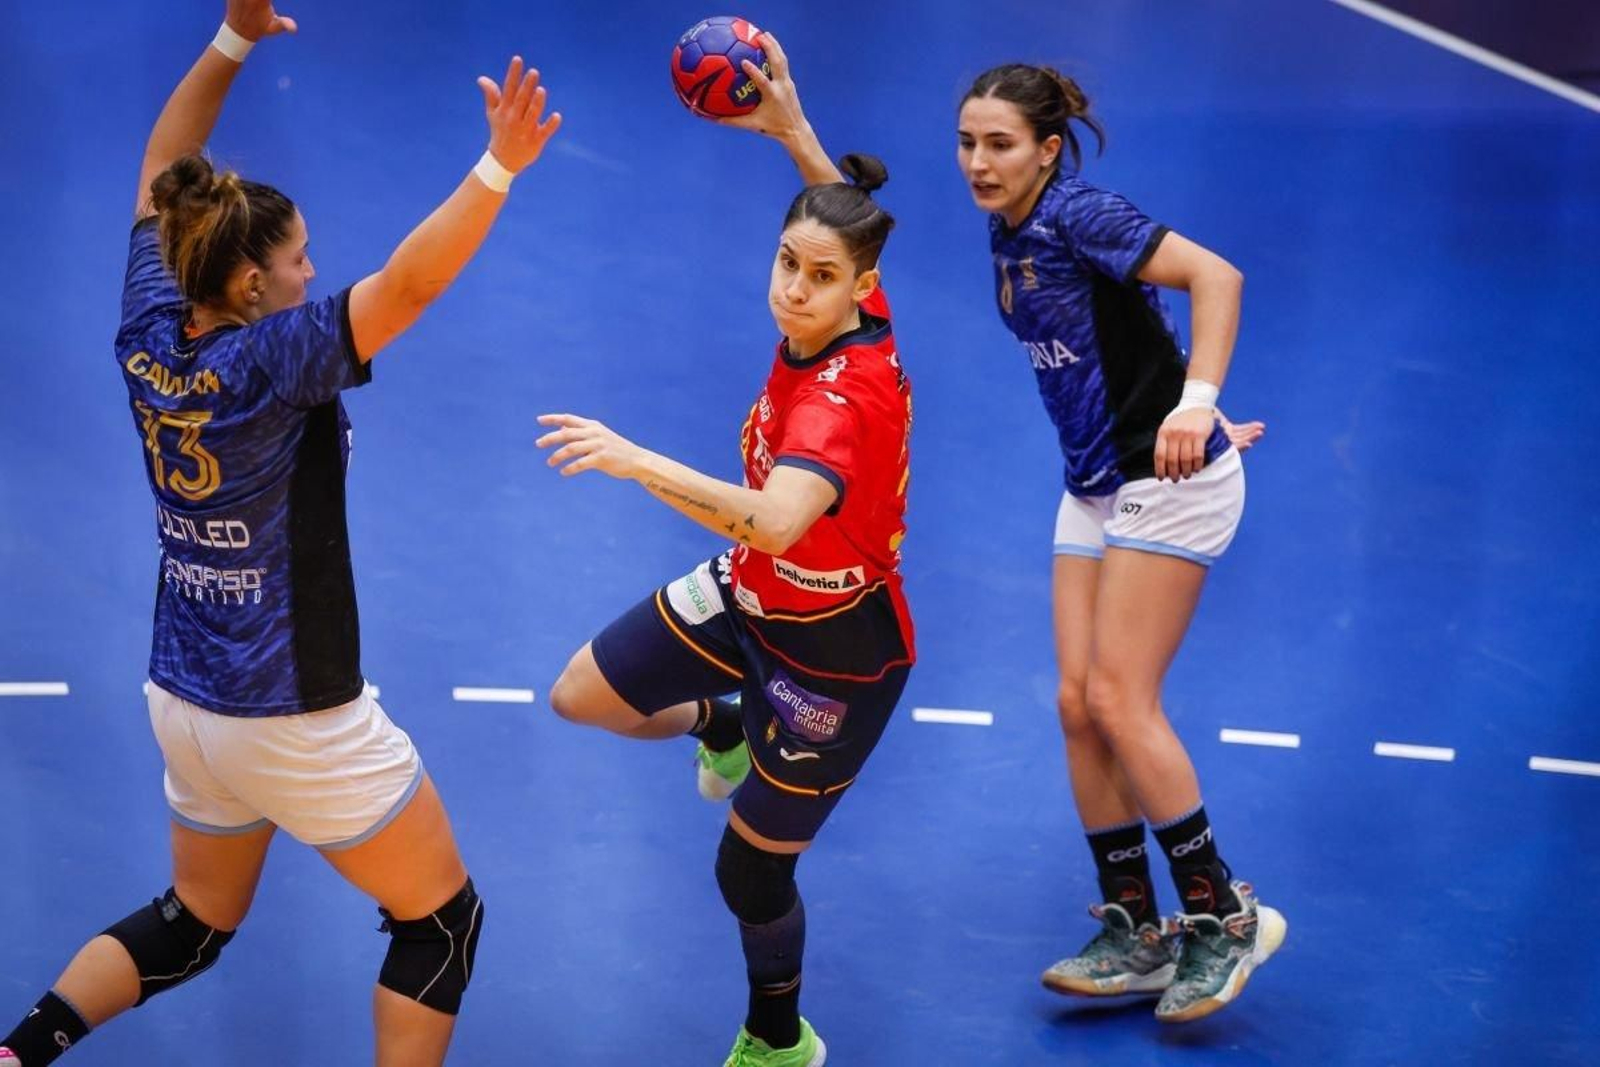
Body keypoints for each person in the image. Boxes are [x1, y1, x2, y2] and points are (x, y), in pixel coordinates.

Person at [0, 4, 560, 1064]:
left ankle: (19, 1049)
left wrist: (231, 38)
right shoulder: (276, 360)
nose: (314, 271)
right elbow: (408, 286)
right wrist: (497, 168)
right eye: (301, 259)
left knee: (194, 920)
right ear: (250, 283)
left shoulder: (150, 323)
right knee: (441, 922)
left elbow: (167, 164)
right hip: (295, 715)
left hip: (184, 698)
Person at [537, 34, 908, 1067]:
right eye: (787, 261)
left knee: (748, 875)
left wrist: (632, 459)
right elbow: (844, 219)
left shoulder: (841, 401)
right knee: (583, 695)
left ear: (858, 288)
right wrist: (790, 127)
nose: (794, 288)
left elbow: (775, 520)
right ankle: (725, 718)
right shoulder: (849, 311)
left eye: (820, 276)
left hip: (835, 649)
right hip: (749, 598)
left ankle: (777, 1036)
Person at [955, 63, 1284, 1023]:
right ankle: (1137, 932)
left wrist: (1198, 403)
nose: (979, 161)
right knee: (1075, 702)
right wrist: (795, 130)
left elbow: (1216, 275)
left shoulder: (1078, 214)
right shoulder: (1009, 220)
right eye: (968, 143)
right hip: (1097, 485)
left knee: (1118, 694)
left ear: (1048, 150)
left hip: (1169, 480)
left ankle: (1225, 918)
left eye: (1000, 144)